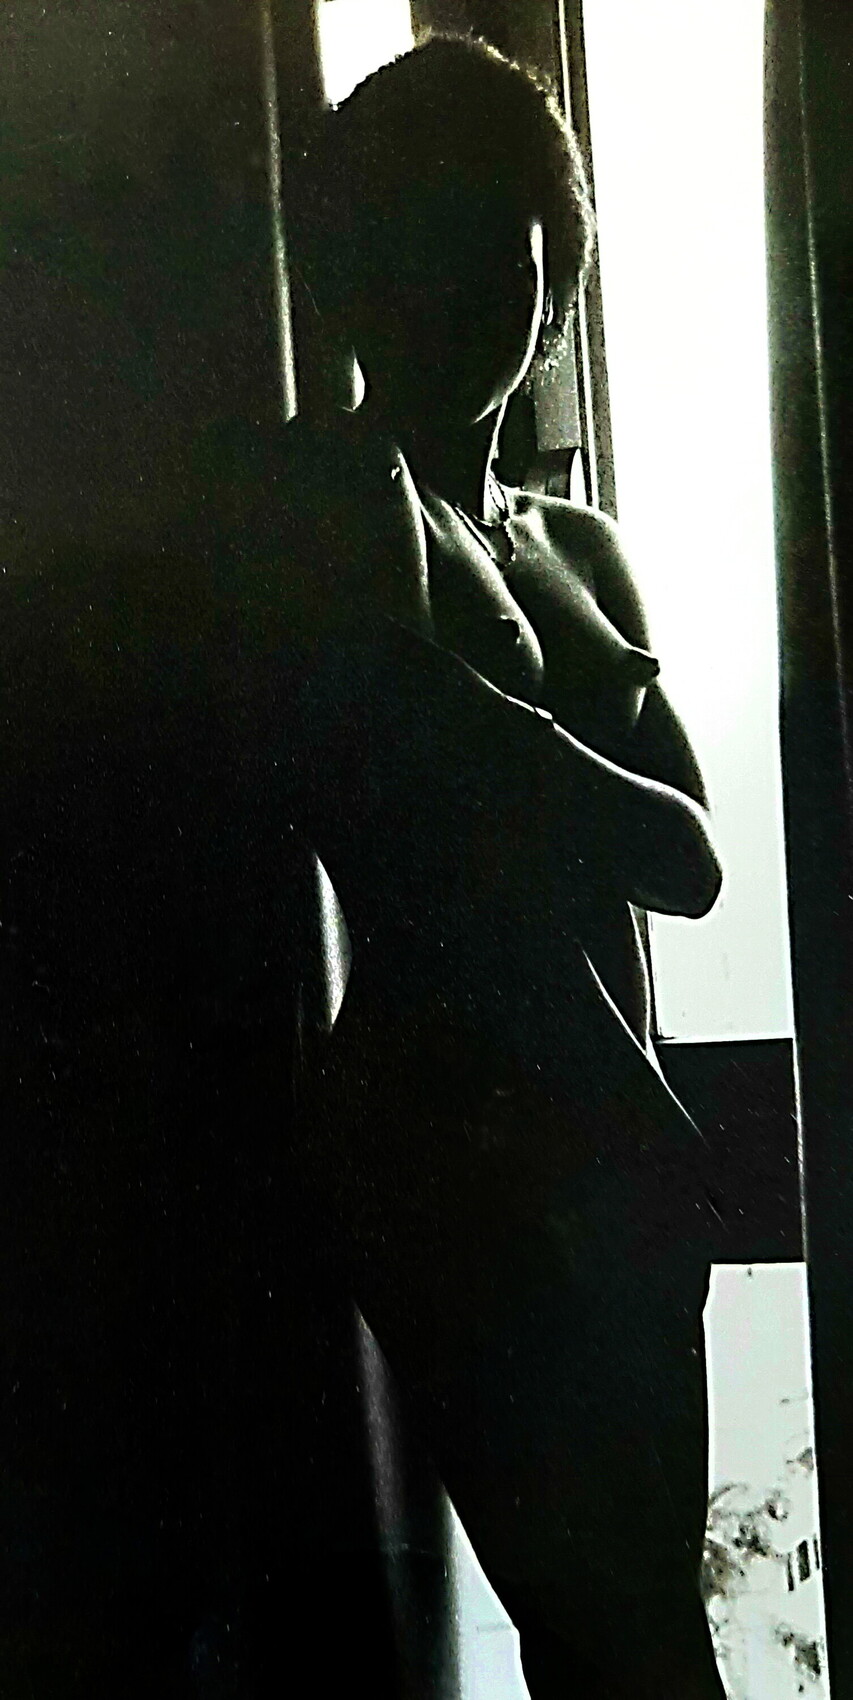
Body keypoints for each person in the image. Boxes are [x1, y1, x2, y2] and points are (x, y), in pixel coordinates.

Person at [276, 33, 728, 1699]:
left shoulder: (577, 545)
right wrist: (546, 761)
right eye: (427, 244)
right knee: (609, 1637)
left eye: (508, 253)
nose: (472, 296)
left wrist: (498, 735)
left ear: (554, 269)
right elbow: (402, 752)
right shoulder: (327, 495)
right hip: (450, 1150)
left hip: (621, 1153)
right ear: (358, 264)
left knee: (645, 1629)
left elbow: (689, 858)